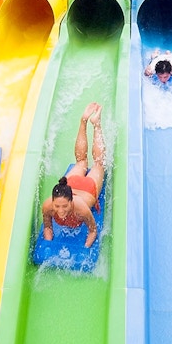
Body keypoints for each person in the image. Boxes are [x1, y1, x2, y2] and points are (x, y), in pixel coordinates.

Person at [41, 102, 105, 248]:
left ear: (72, 201)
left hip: (88, 188)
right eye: (57, 206)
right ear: (52, 201)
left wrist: (86, 248)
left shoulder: (81, 209)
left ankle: (96, 124)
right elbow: (47, 227)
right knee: (81, 161)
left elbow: (93, 231)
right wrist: (48, 245)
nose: (60, 210)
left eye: (65, 206)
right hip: (71, 182)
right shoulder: (47, 206)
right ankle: (83, 120)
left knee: (99, 164)